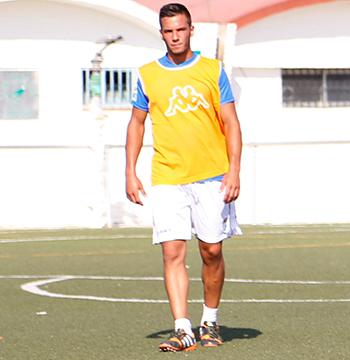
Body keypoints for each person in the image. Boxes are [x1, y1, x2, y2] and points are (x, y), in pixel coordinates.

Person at [125, 3, 242, 352]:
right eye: (168, 31)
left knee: (211, 251)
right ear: (161, 34)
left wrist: (234, 169)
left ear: (191, 30)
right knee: (172, 252)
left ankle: (209, 320)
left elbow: (231, 123)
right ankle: (182, 329)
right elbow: (136, 123)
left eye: (180, 29)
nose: (175, 36)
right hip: (167, 176)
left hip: (211, 176)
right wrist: (130, 172)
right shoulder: (148, 74)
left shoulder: (212, 70)